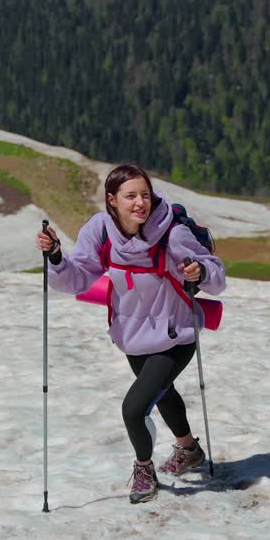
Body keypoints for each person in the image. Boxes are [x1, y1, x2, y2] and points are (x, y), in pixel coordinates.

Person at [36, 164, 226, 504]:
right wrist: (55, 257)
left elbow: (217, 279)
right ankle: (189, 450)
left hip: (175, 336)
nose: (141, 203)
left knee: (134, 408)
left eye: (145, 195)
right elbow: (77, 278)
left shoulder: (172, 234)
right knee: (163, 394)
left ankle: (143, 470)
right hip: (132, 335)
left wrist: (201, 271)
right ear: (112, 200)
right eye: (131, 196)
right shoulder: (101, 231)